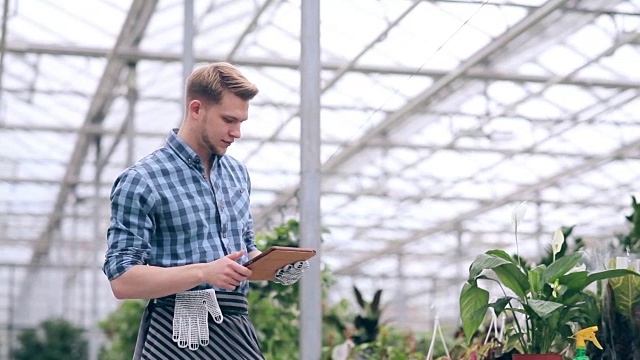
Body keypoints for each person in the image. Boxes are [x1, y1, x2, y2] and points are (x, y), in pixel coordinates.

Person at [103, 62, 306, 360]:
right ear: (196, 109)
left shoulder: (237, 175)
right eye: (228, 120)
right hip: (178, 327)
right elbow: (122, 279)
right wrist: (204, 272)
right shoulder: (142, 180)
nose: (237, 132)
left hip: (236, 327)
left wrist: (272, 266)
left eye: (241, 122)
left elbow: (245, 252)